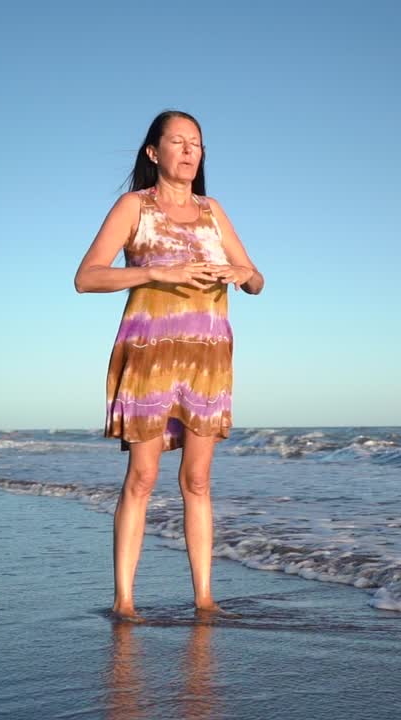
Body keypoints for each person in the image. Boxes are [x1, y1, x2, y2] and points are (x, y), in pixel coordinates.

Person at [74, 110, 264, 621]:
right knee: (142, 475)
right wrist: (158, 272)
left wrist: (239, 272)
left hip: (207, 356)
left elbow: (256, 279)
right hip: (150, 353)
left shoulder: (213, 210)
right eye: (177, 142)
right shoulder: (134, 206)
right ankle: (125, 601)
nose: (188, 150)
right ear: (154, 153)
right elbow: (87, 277)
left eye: (196, 143)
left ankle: (205, 598)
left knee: (197, 480)